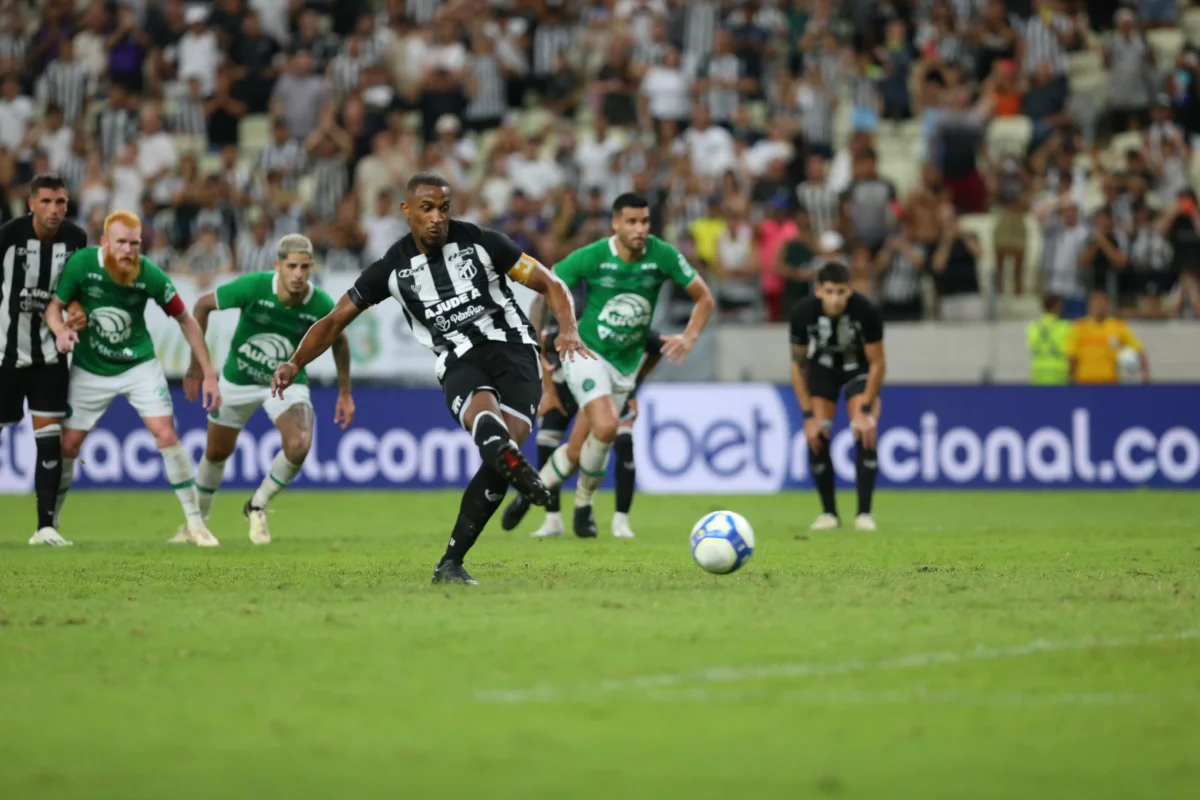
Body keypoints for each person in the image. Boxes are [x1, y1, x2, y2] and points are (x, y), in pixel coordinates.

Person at [270, 172, 590, 586]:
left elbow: (549, 282)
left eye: (443, 208)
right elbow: (334, 321)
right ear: (407, 212)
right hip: (458, 357)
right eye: (426, 209)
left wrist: (568, 329)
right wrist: (295, 362)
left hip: (515, 353)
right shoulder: (391, 269)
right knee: (490, 430)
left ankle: (451, 561)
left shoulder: (484, 242)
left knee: (498, 458)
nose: (436, 218)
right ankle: (499, 455)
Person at [536, 193, 715, 538]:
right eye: (632, 222)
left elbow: (704, 298)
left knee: (578, 447)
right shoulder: (595, 256)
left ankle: (539, 494)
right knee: (605, 428)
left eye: (645, 222)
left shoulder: (661, 255)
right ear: (615, 224)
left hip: (626, 364)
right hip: (587, 352)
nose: (640, 229)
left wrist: (689, 337)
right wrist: (555, 333)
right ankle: (581, 506)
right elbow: (547, 284)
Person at [43, 211, 223, 546]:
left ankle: (196, 524)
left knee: (166, 433)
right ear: (105, 243)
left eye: (135, 244)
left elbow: (186, 319)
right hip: (91, 367)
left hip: (137, 364)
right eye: (122, 243)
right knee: (68, 445)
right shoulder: (82, 265)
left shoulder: (149, 275)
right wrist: (60, 331)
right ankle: (50, 524)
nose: (128, 250)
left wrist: (208, 373)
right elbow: (55, 306)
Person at [165, 234, 355, 546]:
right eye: (292, 266)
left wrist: (345, 391)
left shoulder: (319, 303)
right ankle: (195, 525)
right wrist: (197, 366)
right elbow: (201, 305)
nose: (298, 274)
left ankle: (257, 504)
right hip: (238, 379)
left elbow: (340, 341)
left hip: (285, 384)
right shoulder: (254, 286)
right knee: (216, 452)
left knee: (300, 443)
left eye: (305, 267)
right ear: (277, 265)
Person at [501, 314, 665, 539]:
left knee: (617, 441)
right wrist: (548, 391)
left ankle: (605, 515)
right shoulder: (585, 326)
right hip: (575, 387)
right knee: (572, 448)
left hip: (611, 390)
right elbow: (540, 342)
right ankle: (552, 509)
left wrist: (635, 384)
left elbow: (658, 346)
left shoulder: (633, 327)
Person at [0, 173, 89, 546]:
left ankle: (45, 527)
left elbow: (79, 289)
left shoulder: (76, 239)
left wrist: (79, 308)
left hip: (51, 354)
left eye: (61, 202)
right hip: (4, 353)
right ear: (32, 204)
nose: (55, 210)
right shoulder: (8, 235)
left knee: (49, 439)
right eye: (47, 202)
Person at [789, 261, 886, 532]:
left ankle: (864, 514)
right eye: (830, 291)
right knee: (817, 436)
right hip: (822, 369)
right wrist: (808, 416)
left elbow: (878, 362)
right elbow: (797, 365)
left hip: (858, 369)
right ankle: (829, 514)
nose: (836, 299)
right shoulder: (802, 313)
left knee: (864, 430)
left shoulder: (867, 311)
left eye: (841, 292)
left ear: (850, 290)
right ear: (818, 291)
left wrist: (866, 408)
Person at [1066, 288, 1150, 384]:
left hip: (1109, 384)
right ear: (1089, 305)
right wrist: (1070, 380)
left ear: (1108, 305)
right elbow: (1072, 357)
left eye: (1103, 303)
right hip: (1084, 383)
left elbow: (1139, 350)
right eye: (1096, 303)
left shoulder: (1118, 326)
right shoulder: (1079, 327)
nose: (1099, 306)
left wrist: (1146, 375)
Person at [1027, 294, 1071, 385]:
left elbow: (1032, 347)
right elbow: (1069, 352)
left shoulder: (1033, 327)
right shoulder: (1065, 326)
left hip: (1038, 372)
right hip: (1058, 373)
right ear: (1058, 306)